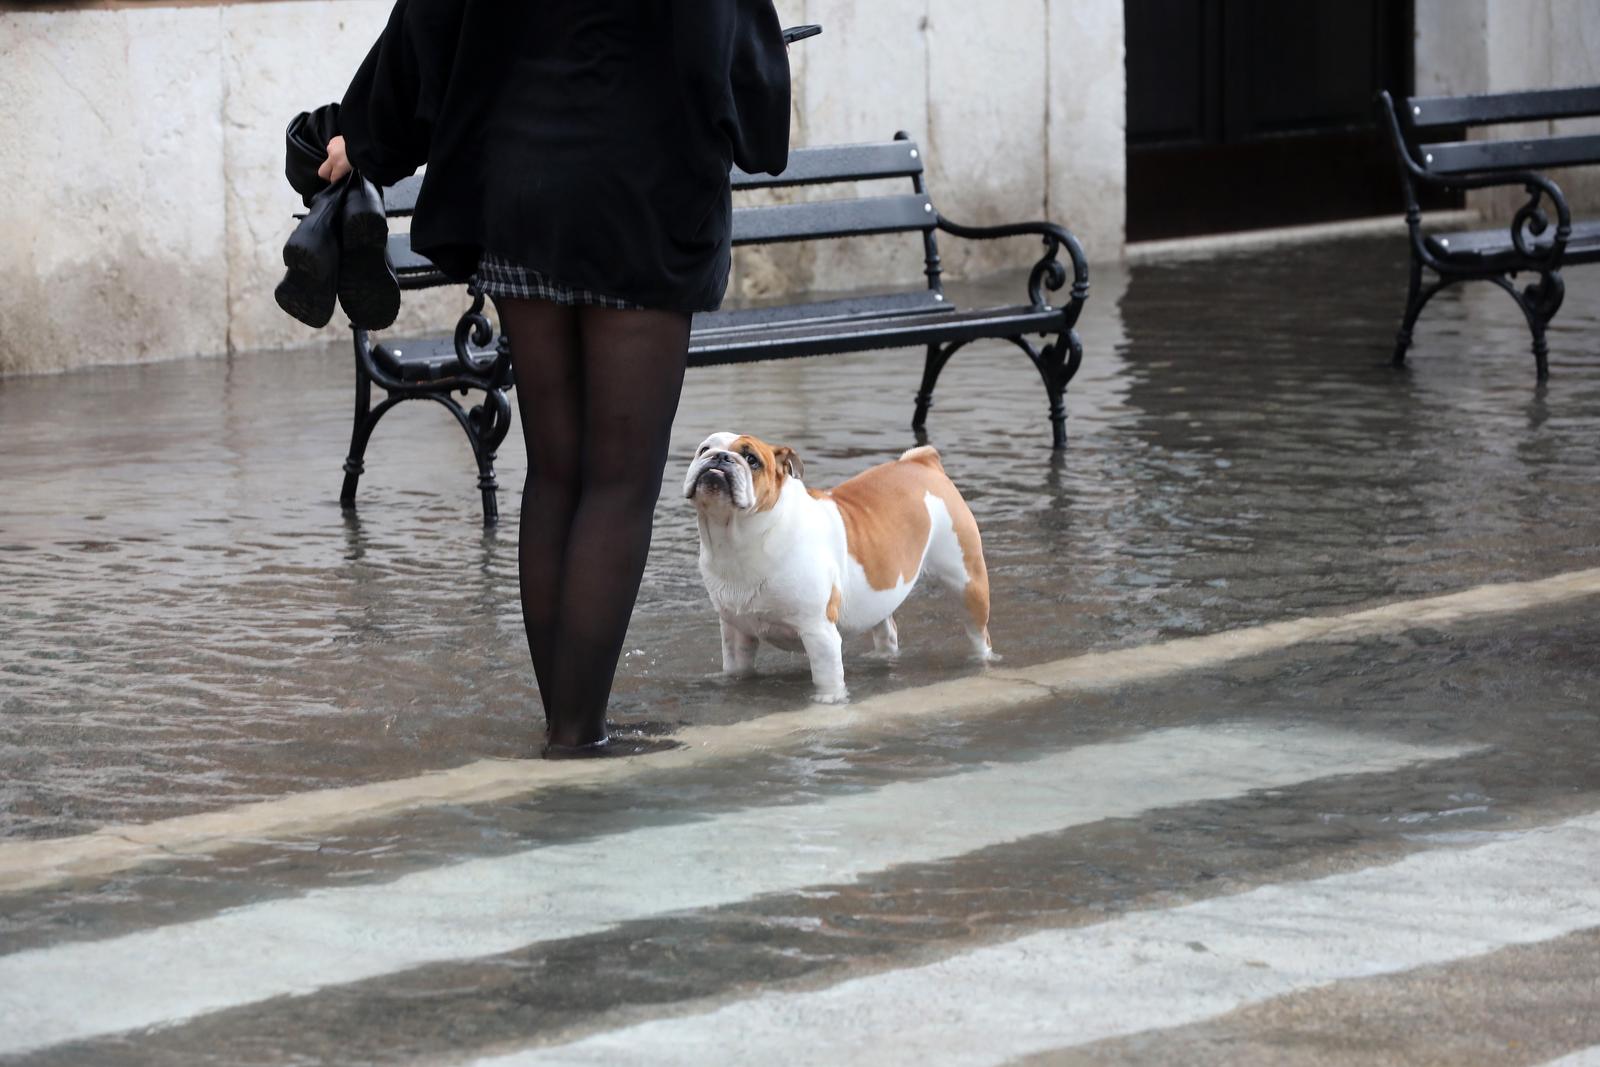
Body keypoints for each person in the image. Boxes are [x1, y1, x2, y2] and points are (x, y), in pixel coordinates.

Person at [326, 1, 792, 755]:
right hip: (645, 191)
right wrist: (756, 116)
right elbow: (727, 44)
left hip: (517, 185)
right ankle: (579, 733)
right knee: (618, 483)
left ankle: (570, 722)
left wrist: (365, 133)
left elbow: (431, 17)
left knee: (555, 473)